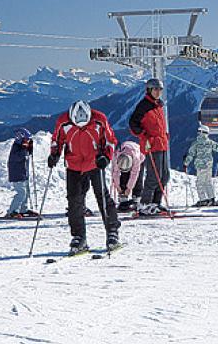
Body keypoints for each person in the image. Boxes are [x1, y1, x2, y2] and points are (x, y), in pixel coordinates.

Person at [48, 100, 119, 253]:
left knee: (102, 197)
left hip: (95, 163)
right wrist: (54, 155)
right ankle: (79, 237)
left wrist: (106, 157)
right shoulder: (63, 122)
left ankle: (112, 232)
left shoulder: (99, 119)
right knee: (74, 201)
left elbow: (110, 140)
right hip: (73, 165)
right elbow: (57, 140)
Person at [128, 78, 171, 212]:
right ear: (149, 90)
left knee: (164, 175)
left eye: (160, 90)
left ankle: (155, 203)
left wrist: (165, 135)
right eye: (155, 89)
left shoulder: (158, 105)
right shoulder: (144, 106)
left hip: (162, 144)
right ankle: (145, 204)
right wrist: (143, 135)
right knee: (154, 176)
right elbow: (133, 123)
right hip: (151, 145)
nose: (158, 92)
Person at [184, 125, 218, 207]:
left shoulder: (196, 143)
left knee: (200, 183)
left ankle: (203, 200)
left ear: (200, 132)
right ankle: (211, 199)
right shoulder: (210, 142)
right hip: (209, 165)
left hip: (200, 166)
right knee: (208, 182)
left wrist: (185, 163)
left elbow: (191, 154)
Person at [5, 129, 38, 218]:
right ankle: (13, 211)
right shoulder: (16, 148)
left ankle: (23, 209)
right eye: (26, 140)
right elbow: (17, 158)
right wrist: (24, 149)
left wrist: (29, 149)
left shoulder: (22, 147)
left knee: (26, 192)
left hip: (23, 173)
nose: (28, 141)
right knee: (21, 193)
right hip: (17, 174)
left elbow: (26, 156)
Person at [111, 140, 147, 216]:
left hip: (140, 155)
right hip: (125, 154)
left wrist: (129, 188)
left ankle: (136, 198)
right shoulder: (117, 157)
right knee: (124, 177)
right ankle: (123, 197)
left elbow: (134, 174)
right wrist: (118, 187)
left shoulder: (136, 159)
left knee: (138, 179)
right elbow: (115, 173)